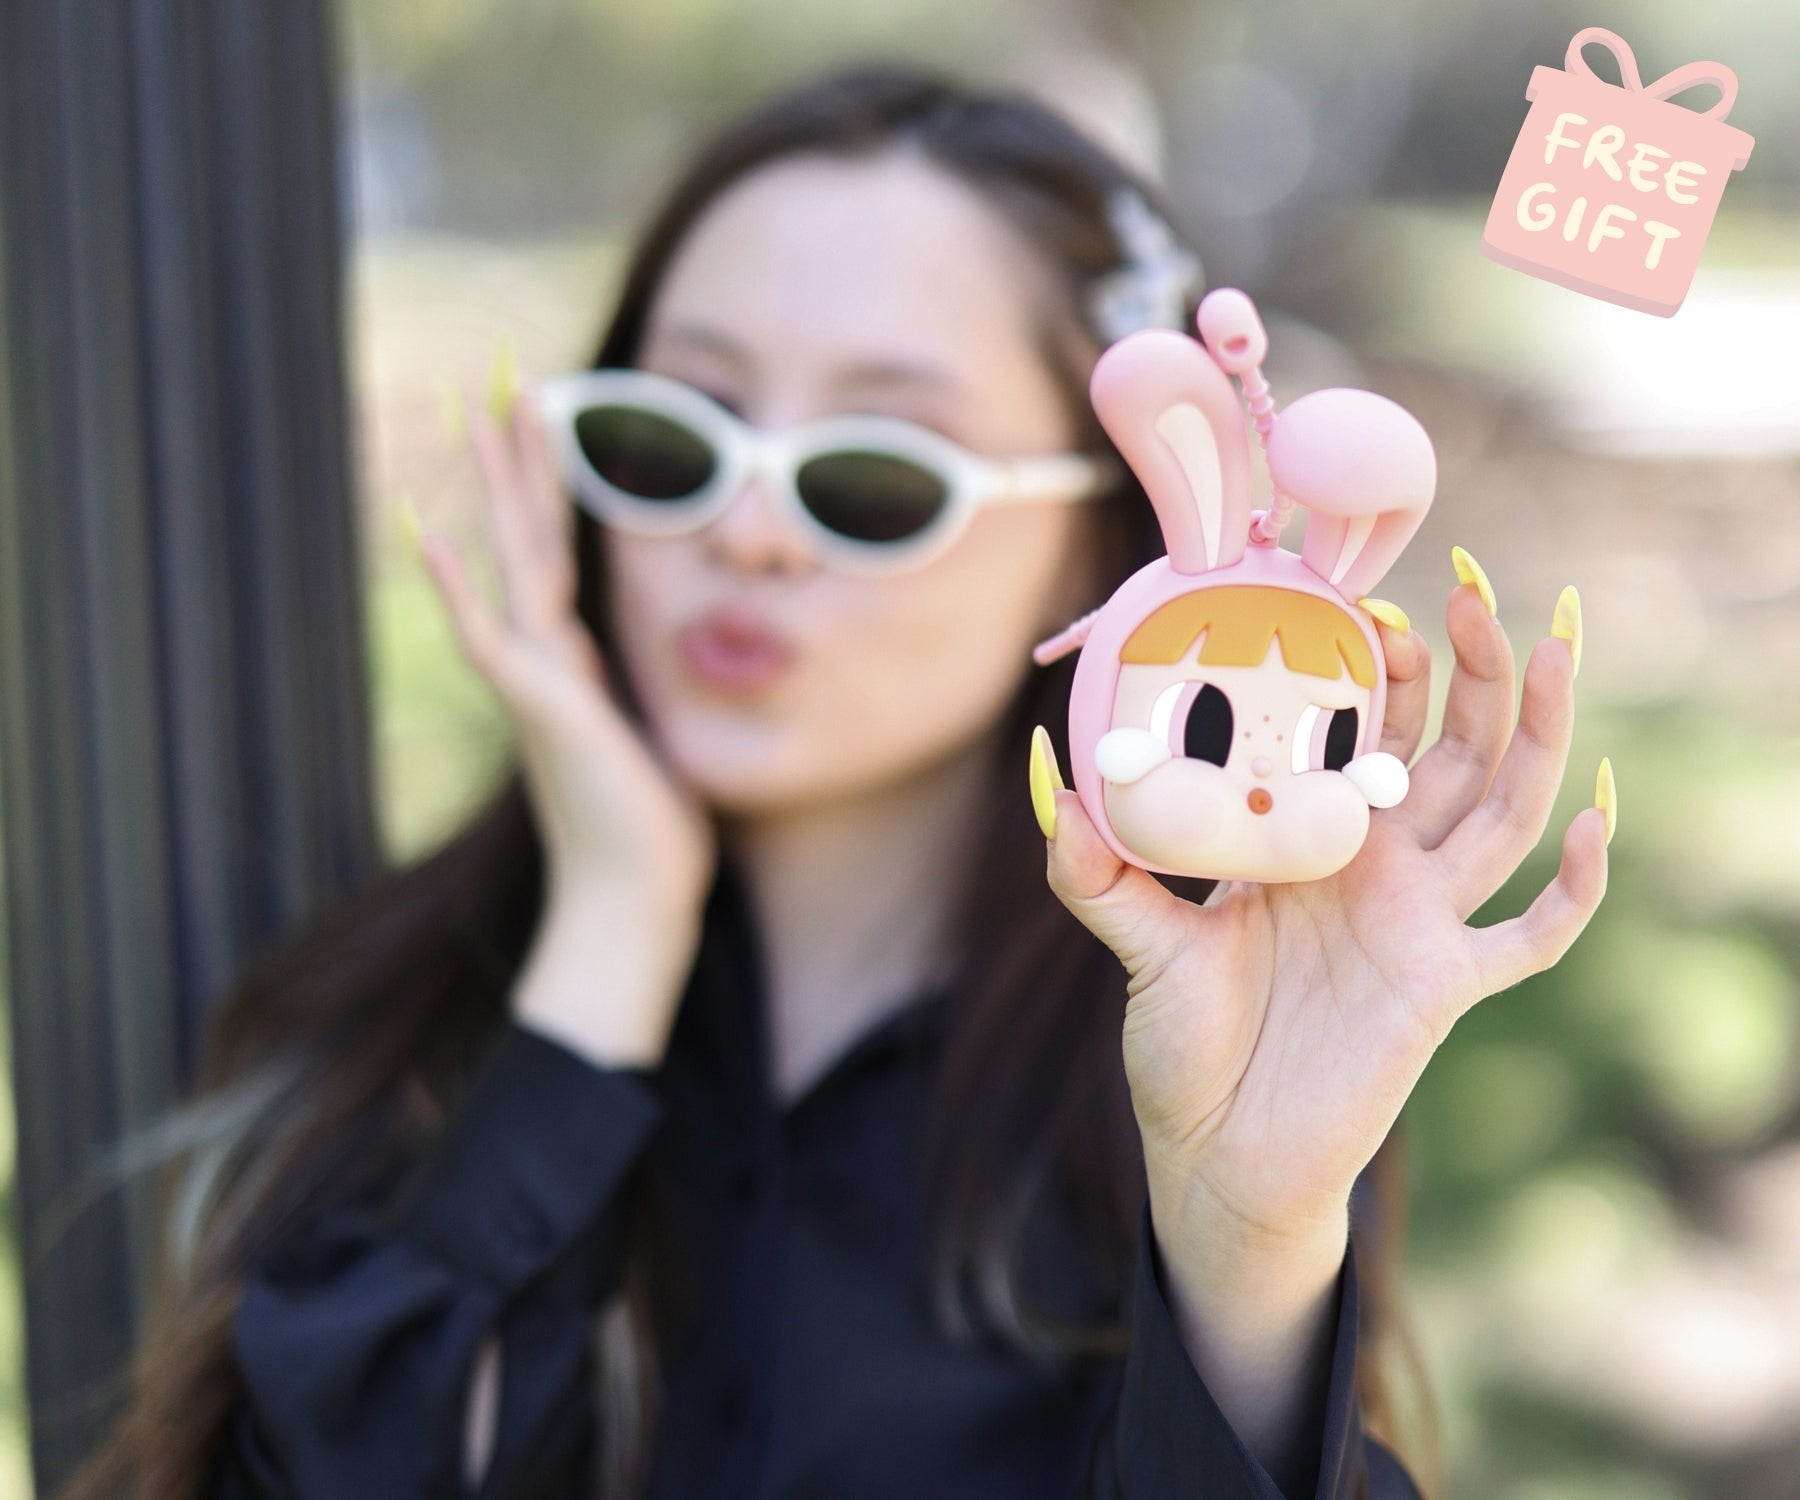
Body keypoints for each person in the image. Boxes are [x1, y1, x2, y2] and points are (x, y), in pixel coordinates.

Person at [56, 61, 1612, 1500]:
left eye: (874, 477)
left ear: (1103, 542)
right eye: (675, 441)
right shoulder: (397, 1022)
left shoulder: (1206, 1062)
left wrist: (1249, 1261)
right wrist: (610, 932)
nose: (744, 536)